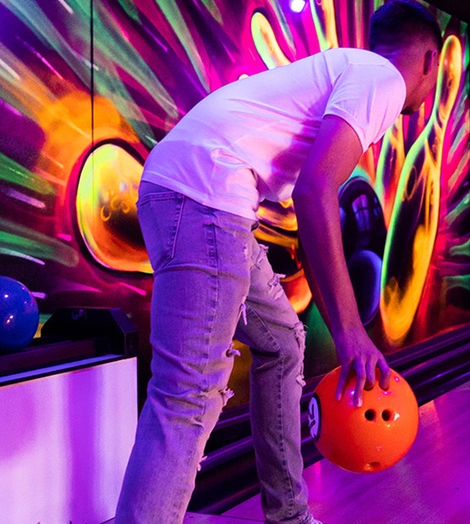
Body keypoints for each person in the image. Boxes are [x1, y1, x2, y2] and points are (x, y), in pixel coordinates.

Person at [115, 1, 442, 523]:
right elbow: (316, 192)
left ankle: (288, 515)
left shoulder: (350, 70)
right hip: (205, 197)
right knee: (190, 392)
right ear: (431, 60)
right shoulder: (382, 79)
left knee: (284, 342)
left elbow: (314, 221)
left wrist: (344, 329)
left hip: (195, 195)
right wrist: (352, 332)